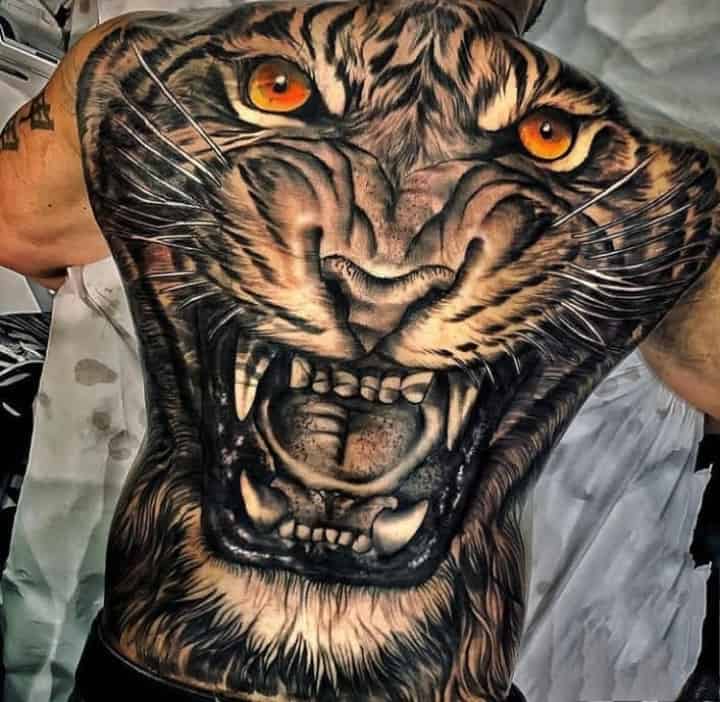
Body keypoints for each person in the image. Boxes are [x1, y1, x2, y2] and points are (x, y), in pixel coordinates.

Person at [0, 1, 718, 701]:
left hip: (151, 665)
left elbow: (24, 235)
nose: (386, 269)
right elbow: (707, 376)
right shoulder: (675, 167)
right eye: (279, 89)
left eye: (546, 136)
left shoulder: (138, 61)